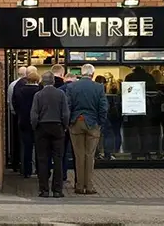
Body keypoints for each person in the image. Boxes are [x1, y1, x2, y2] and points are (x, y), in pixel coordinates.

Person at [65, 63, 108, 195]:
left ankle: (79, 186)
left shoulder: (72, 86)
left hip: (76, 122)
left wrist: (69, 122)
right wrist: (100, 122)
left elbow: (67, 106)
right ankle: (89, 186)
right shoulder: (99, 87)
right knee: (90, 155)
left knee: (79, 155)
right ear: (92, 74)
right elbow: (103, 107)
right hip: (93, 123)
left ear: (81, 73)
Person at [31, 71, 70, 198]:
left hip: (42, 127)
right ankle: (57, 190)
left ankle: (44, 190)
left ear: (43, 81)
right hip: (57, 127)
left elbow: (34, 114)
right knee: (58, 159)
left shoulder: (38, 95)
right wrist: (64, 126)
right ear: (53, 81)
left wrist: (35, 127)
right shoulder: (61, 94)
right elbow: (65, 113)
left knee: (42, 159)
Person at [12, 69, 42, 178]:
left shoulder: (20, 90)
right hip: (38, 122)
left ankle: (26, 171)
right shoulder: (40, 91)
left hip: (23, 121)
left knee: (26, 147)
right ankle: (39, 170)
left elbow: (15, 103)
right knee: (39, 147)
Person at [7, 66, 27, 171]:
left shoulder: (11, 85)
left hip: (13, 114)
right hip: (21, 115)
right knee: (24, 141)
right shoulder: (23, 85)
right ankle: (22, 164)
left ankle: (15, 162)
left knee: (15, 140)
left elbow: (9, 100)